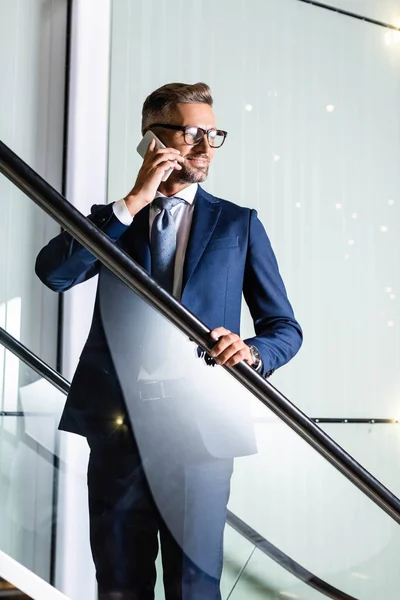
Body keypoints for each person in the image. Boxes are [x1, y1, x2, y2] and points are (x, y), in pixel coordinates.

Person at [35, 82, 303, 600]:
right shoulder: (113, 221)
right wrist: (133, 200)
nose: (206, 148)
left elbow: (284, 330)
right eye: (191, 133)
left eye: (213, 134)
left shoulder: (238, 225)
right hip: (118, 429)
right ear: (153, 139)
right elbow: (54, 274)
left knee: (194, 587)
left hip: (202, 432)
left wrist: (251, 351)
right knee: (118, 584)